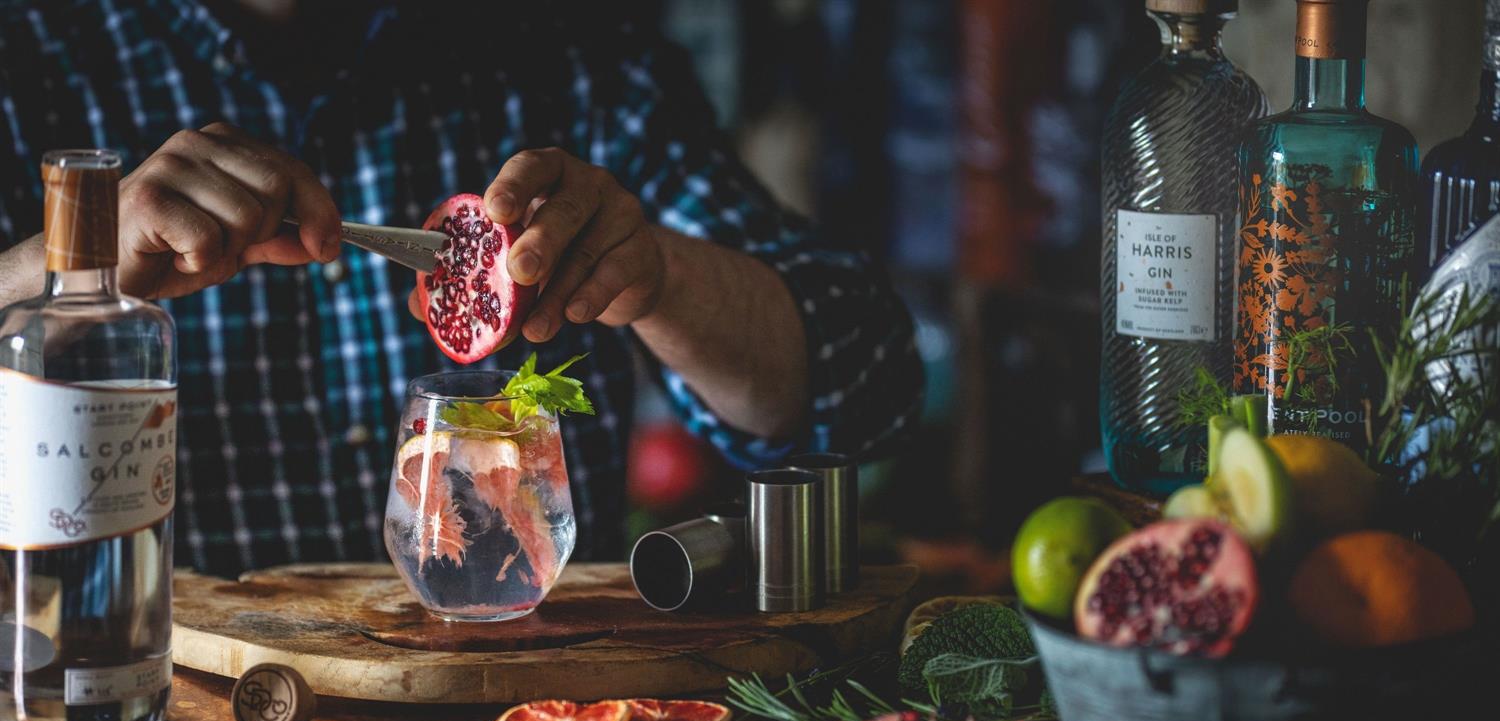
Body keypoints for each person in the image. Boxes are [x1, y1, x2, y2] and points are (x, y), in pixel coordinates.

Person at [0, 1, 922, 576]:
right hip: (151, 699)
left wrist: (660, 274)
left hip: (519, 703)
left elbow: (864, 384)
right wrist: (54, 265)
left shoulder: (575, 49)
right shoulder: (24, 56)